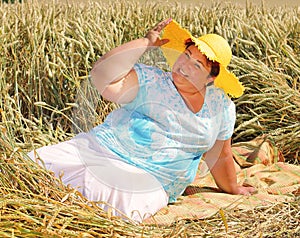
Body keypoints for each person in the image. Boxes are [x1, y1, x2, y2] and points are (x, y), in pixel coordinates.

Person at [28, 18, 255, 223]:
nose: (184, 66)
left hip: (152, 179)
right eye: (186, 55)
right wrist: (144, 43)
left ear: (211, 78)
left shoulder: (222, 107)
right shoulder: (153, 81)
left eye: (197, 65)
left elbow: (221, 154)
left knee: (117, 210)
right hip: (99, 150)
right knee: (33, 171)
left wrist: (233, 188)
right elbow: (101, 78)